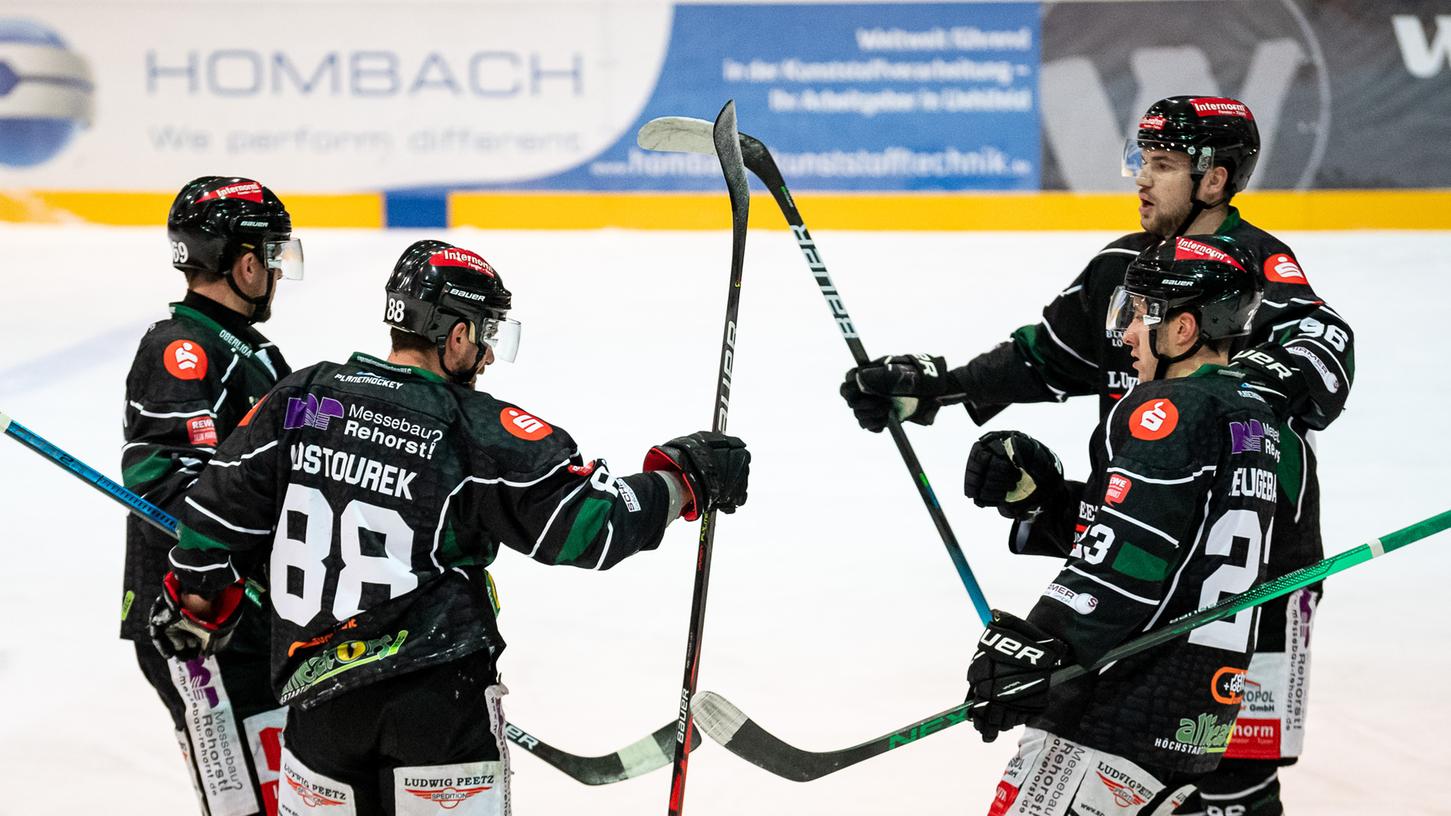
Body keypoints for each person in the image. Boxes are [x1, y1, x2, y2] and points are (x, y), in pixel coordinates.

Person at [841, 96, 1352, 816]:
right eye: (1140, 160)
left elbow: (1325, 361)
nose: (1142, 179)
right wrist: (938, 388)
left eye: (1164, 164)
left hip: (1253, 580)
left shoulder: (1258, 272)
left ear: (1214, 181)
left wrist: (1217, 394)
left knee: (1224, 780)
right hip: (1142, 549)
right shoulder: (1127, 267)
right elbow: (1047, 355)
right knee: (1136, 754)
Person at [148, 239, 751, 816]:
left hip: (316, 705)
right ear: (456, 334)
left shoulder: (301, 396)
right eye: (486, 335)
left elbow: (209, 519)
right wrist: (684, 480)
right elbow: (591, 527)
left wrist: (201, 606)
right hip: (435, 700)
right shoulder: (472, 429)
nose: (488, 356)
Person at [963, 236, 1279, 814]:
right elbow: (1178, 544)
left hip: (1112, 712)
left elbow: (1132, 554)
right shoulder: (1253, 418)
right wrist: (1049, 500)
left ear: (1183, 330)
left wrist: (1041, 644)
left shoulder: (1172, 408)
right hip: (1191, 715)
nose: (1127, 332)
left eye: (1141, 313)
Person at [121, 176, 302, 815]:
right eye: (273, 256)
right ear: (245, 262)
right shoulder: (181, 349)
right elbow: (169, 488)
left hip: (254, 619)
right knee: (252, 807)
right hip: (201, 625)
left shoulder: (246, 350)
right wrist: (207, 588)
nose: (278, 272)